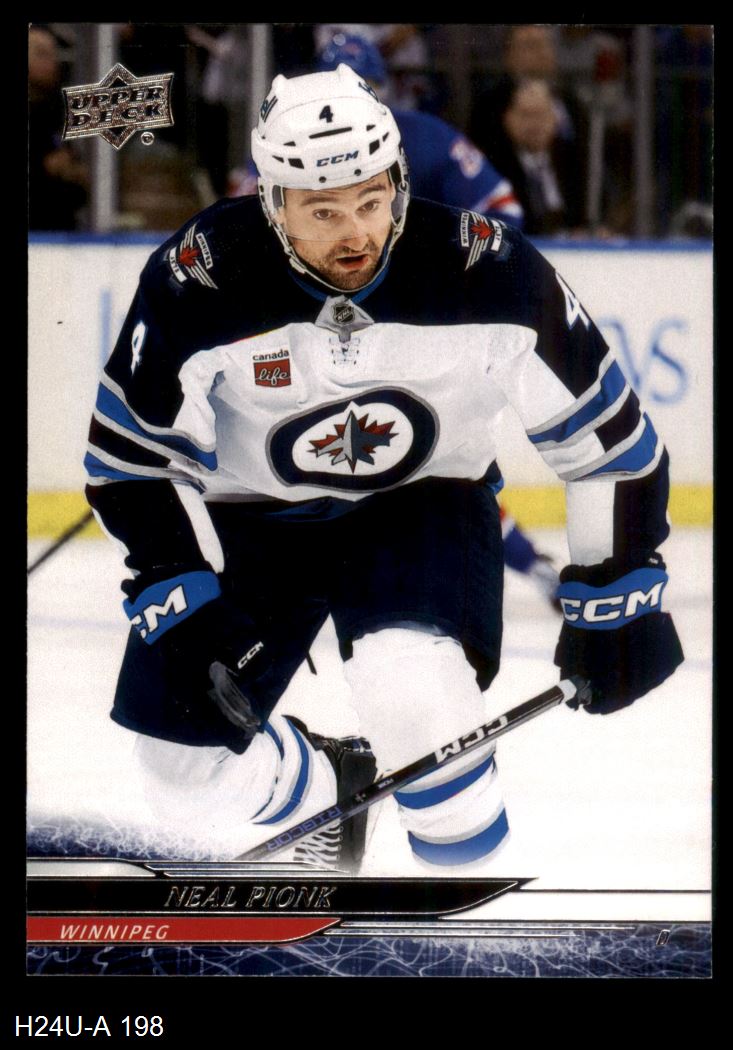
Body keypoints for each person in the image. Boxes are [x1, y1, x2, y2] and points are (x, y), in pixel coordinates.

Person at [85, 65, 683, 874]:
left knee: (414, 697)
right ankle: (327, 790)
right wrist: (177, 581)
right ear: (272, 203)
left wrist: (618, 596)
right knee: (181, 778)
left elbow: (607, 444)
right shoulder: (199, 278)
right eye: (323, 212)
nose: (356, 234)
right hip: (247, 519)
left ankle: (463, 894)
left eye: (372, 201)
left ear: (399, 180)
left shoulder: (490, 270)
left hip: (420, 506)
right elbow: (133, 458)